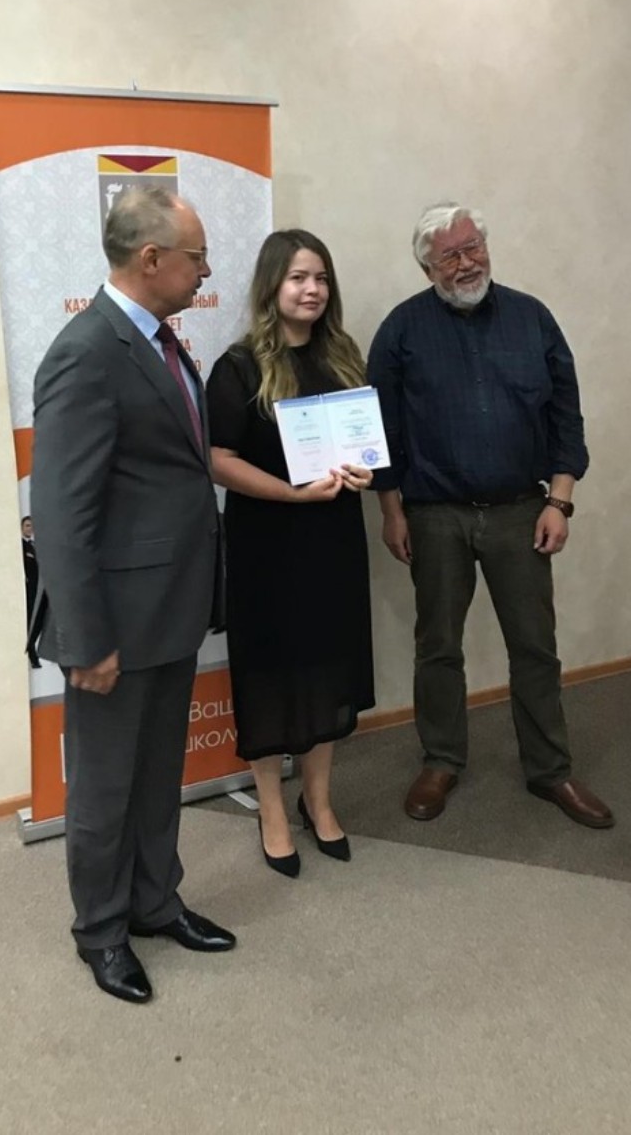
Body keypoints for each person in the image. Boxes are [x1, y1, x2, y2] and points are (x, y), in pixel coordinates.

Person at [30, 186, 236, 1005]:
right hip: (112, 624)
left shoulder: (159, 339)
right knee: (106, 786)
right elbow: (61, 513)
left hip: (170, 608)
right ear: (151, 259)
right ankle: (102, 931)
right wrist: (86, 640)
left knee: (155, 776)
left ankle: (155, 902)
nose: (206, 271)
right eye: (196, 257)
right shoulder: (87, 351)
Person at [367, 202, 614, 830]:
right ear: (427, 268)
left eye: (473, 246)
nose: (467, 262)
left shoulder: (533, 319)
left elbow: (566, 416)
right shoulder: (401, 330)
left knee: (535, 646)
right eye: (450, 255)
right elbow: (381, 431)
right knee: (437, 646)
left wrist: (560, 500)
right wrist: (392, 511)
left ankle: (550, 769)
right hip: (434, 514)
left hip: (521, 510)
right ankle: (441, 760)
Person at [206, 229, 375, 877]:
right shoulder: (239, 366)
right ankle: (272, 810)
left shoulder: (343, 355)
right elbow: (217, 459)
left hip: (332, 539)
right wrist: (291, 494)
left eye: (321, 278)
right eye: (299, 278)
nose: (312, 290)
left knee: (328, 664)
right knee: (270, 671)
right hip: (267, 543)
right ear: (272, 285)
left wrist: (365, 470)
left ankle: (318, 801)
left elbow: (366, 442)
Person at [20, 516, 47, 669]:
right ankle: (32, 654)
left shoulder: (35, 545)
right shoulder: (21, 547)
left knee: (39, 620)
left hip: (39, 589)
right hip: (29, 590)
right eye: (27, 525)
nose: (30, 528)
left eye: (32, 526)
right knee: (30, 621)